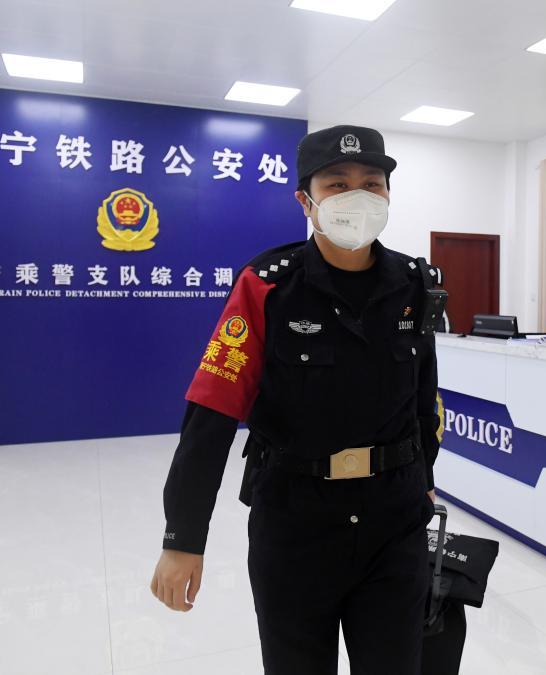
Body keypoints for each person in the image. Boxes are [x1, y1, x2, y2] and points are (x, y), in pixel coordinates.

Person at [149, 125, 441, 675]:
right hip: (294, 521)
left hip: (395, 522)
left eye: (372, 183)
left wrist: (425, 479)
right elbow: (212, 411)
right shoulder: (266, 285)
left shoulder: (414, 283)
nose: (357, 196)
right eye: (337, 184)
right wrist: (182, 537)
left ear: (387, 194)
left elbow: (423, 396)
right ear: (306, 201)